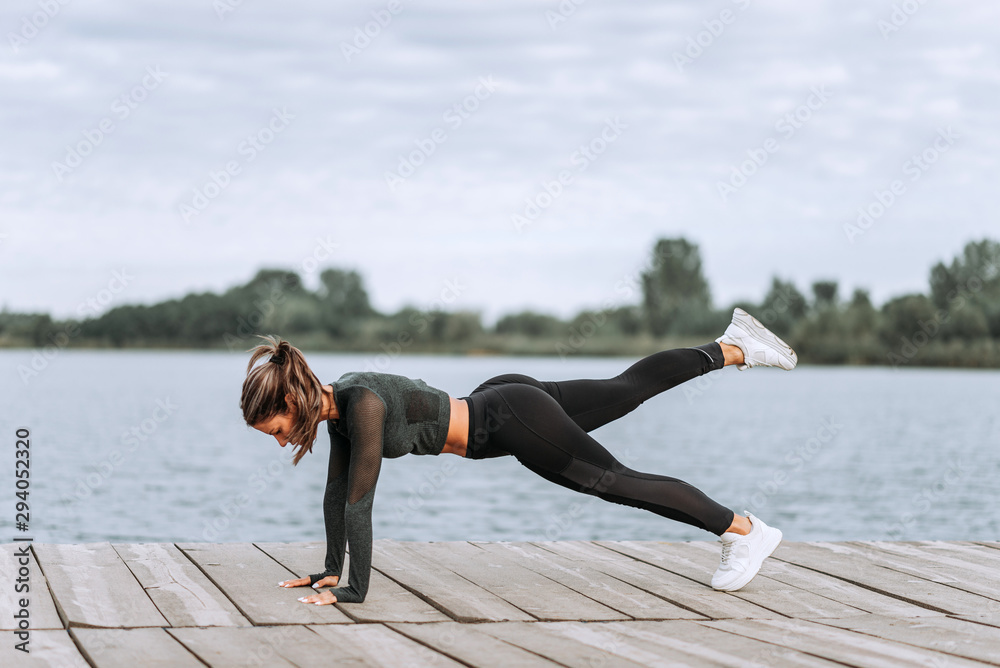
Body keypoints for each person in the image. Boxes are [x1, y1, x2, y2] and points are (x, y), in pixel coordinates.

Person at [241, 307, 797, 605]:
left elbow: (360, 506)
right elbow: (337, 494)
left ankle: (743, 531)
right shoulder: (342, 405)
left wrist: (353, 592)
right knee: (625, 388)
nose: (281, 438)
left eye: (278, 427)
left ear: (293, 400)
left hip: (507, 420)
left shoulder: (359, 407)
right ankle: (734, 346)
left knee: (615, 480)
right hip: (502, 401)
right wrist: (331, 569)